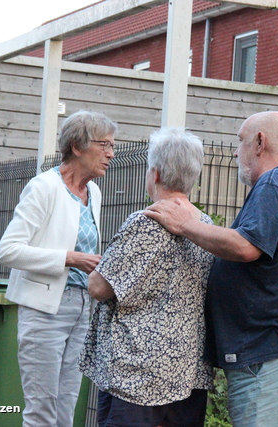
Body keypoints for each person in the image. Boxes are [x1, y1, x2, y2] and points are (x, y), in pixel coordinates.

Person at [144, 111, 278, 427]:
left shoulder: (276, 181)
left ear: (260, 142)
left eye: (240, 141)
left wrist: (184, 224)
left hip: (268, 349)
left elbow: (245, 246)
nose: (236, 151)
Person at [78, 127, 215, 427]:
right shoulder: (205, 226)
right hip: (188, 372)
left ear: (154, 174)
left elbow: (99, 287)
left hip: (137, 375)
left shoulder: (147, 221)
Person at [0, 110, 117, 427]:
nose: (111, 153)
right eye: (104, 144)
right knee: (42, 413)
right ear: (77, 147)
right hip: (45, 310)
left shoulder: (94, 193)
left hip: (82, 308)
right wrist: (70, 258)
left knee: (66, 412)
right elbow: (8, 250)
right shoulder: (43, 188)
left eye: (112, 145)